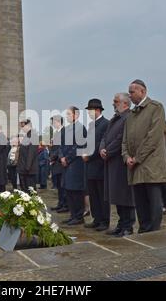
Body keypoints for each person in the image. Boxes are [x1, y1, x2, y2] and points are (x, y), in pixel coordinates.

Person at [122, 80, 166, 233]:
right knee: (140, 202)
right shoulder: (130, 115)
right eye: (129, 92)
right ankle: (143, 230)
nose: (130, 94)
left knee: (153, 201)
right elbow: (125, 140)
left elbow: (153, 137)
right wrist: (126, 157)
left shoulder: (156, 108)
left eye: (132, 91)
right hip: (134, 165)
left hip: (150, 165)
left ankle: (153, 232)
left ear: (143, 91)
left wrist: (137, 158)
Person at [101, 93, 135, 237]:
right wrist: (101, 148)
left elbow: (121, 138)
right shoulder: (114, 119)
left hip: (121, 163)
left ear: (125, 104)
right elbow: (105, 137)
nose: (113, 104)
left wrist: (108, 151)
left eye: (116, 101)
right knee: (117, 196)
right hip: (111, 162)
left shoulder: (128, 118)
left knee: (125, 196)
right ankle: (121, 224)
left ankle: (128, 226)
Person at [83, 99, 110, 232]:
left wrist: (89, 155)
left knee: (102, 195)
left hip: (99, 165)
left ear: (98, 110)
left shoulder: (105, 124)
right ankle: (96, 219)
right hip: (90, 166)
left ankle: (104, 221)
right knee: (93, 195)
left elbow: (101, 144)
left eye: (90, 111)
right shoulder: (91, 125)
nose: (89, 113)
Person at [60, 106, 87, 226]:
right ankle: (72, 214)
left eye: (69, 114)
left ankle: (79, 216)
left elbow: (79, 146)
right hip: (65, 163)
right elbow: (60, 145)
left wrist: (67, 159)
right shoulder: (65, 129)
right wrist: (61, 157)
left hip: (76, 164)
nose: (67, 117)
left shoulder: (81, 128)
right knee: (68, 190)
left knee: (76, 190)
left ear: (76, 115)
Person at [50, 115, 68, 213]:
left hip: (60, 162)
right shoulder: (56, 133)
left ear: (58, 122)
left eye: (53, 122)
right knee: (58, 185)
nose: (52, 124)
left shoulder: (63, 132)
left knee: (62, 185)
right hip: (55, 162)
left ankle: (65, 204)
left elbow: (60, 148)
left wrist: (53, 158)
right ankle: (60, 203)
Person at [17, 120, 39, 192]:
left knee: (30, 190)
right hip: (24, 168)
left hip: (28, 170)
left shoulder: (33, 135)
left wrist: (27, 167)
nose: (22, 128)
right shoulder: (27, 135)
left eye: (23, 126)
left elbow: (31, 153)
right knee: (25, 191)